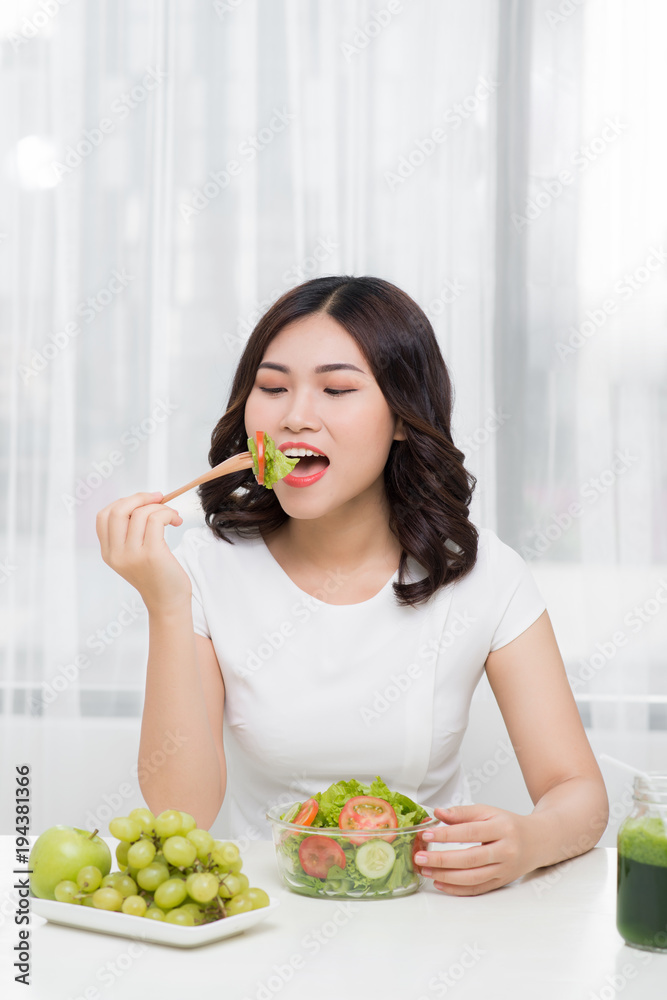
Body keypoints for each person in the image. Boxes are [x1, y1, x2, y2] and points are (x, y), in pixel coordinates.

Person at [96, 275, 609, 896]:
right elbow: (185, 812)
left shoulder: (483, 574)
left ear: (400, 417)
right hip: (267, 913)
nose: (296, 417)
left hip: (426, 913)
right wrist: (167, 605)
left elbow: (577, 794)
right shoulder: (205, 566)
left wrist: (531, 841)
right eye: (273, 387)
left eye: (337, 389)